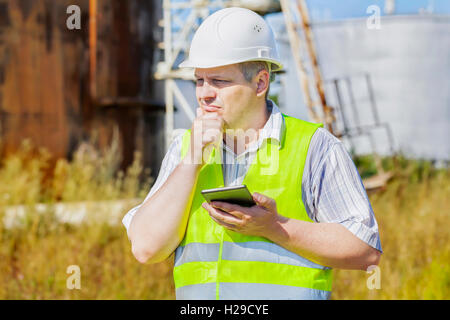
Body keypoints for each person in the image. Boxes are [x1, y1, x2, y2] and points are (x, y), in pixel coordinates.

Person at [122, 7, 382, 300]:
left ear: (260, 83)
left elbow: (365, 250)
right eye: (199, 80)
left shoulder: (315, 147)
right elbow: (146, 248)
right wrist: (191, 161)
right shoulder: (184, 149)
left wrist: (275, 227)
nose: (205, 93)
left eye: (219, 81)